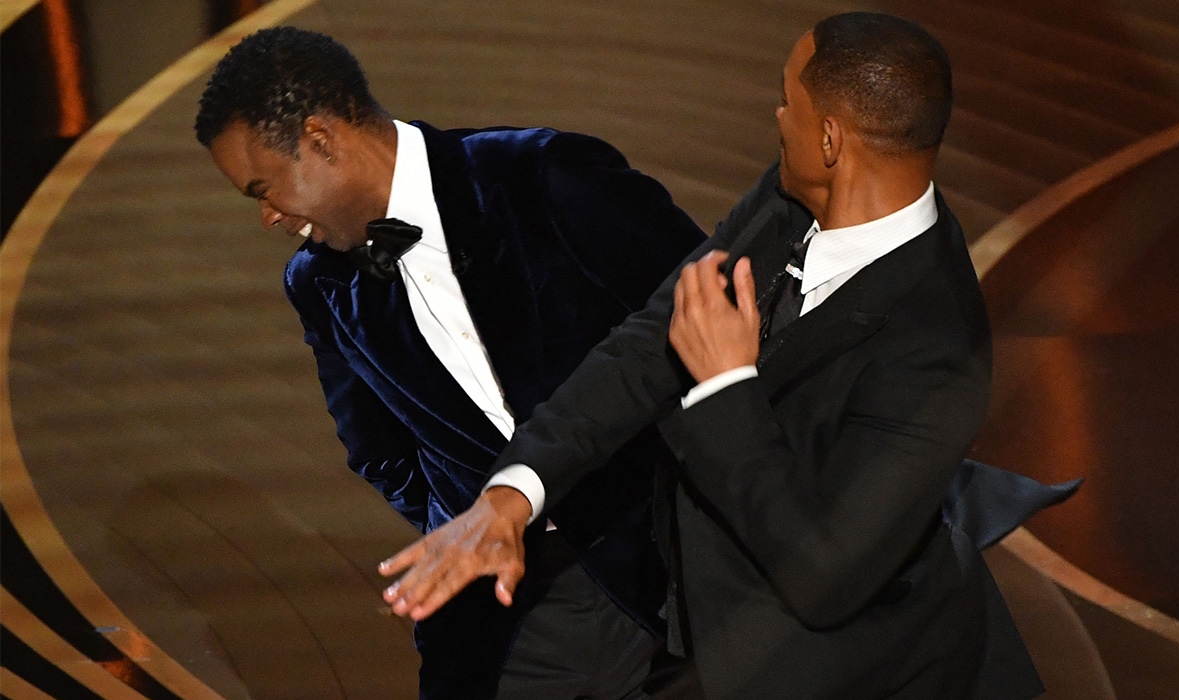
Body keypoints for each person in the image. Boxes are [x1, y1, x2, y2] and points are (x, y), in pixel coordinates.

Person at [379, 12, 1053, 700]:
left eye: (789, 98)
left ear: (830, 139)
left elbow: (823, 577)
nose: (776, 114)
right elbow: (649, 343)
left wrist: (726, 385)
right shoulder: (799, 195)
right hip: (712, 629)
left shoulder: (940, 349)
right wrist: (514, 492)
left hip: (850, 673)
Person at [194, 26, 708, 700]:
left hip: (675, 562)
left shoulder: (544, 175)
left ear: (320, 140)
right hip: (508, 607)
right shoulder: (316, 283)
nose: (268, 216)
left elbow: (713, 316)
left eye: (264, 189)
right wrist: (466, 519)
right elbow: (378, 449)